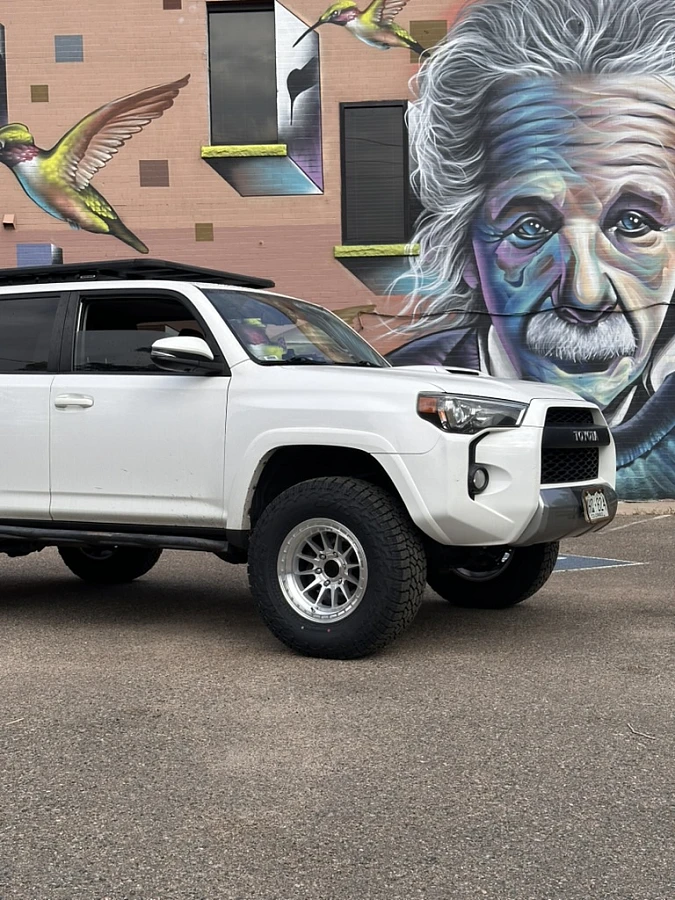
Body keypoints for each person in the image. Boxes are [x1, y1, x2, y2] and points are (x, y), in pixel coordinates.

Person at [387, 0, 675, 499]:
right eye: (529, 228)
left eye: (633, 223)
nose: (585, 295)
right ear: (467, 249)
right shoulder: (401, 401)